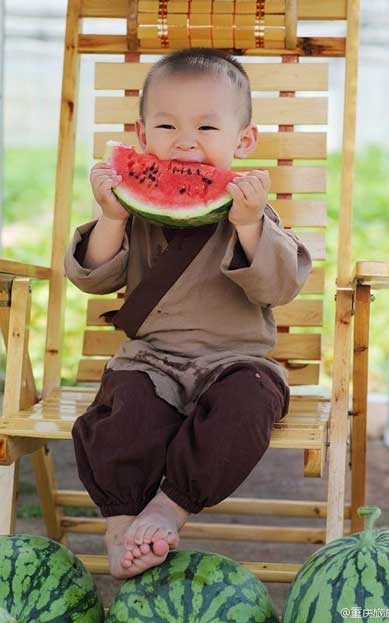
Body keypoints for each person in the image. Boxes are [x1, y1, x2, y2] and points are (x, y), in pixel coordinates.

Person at [64, 47, 313, 579]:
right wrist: (110, 217)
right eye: (167, 124)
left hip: (236, 362)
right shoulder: (133, 210)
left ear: (243, 140)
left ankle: (168, 507)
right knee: (119, 417)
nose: (185, 140)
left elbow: (279, 286)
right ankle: (121, 522)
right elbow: (93, 277)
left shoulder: (253, 211)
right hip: (151, 361)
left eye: (206, 125)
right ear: (141, 135)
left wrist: (249, 226)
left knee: (249, 407)